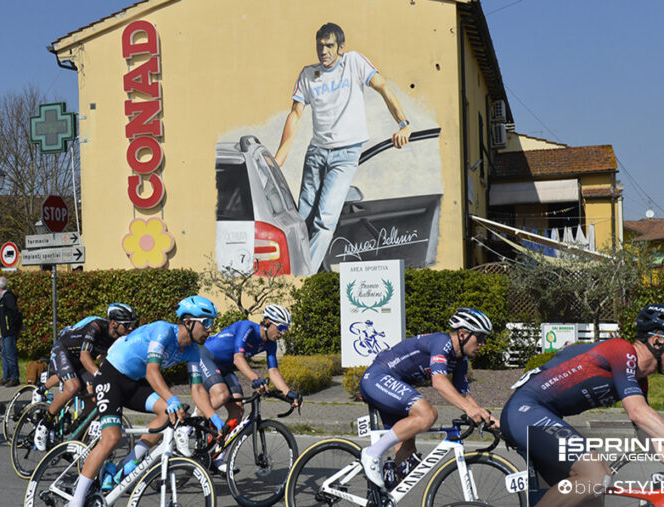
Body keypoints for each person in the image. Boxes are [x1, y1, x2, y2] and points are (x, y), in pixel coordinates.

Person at [501, 304, 664, 506]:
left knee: (592, 496)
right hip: (525, 411)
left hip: (544, 416)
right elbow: (638, 412)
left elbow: (648, 439)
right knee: (596, 475)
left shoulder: (638, 379)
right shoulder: (621, 351)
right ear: (657, 340)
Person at [274, 22, 411, 273]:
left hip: (345, 154)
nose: (323, 51)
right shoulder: (308, 75)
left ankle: (303, 277)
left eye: (329, 46)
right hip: (316, 152)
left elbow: (383, 87)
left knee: (325, 219)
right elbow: (296, 114)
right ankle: (290, 269)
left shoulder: (354, 62)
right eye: (320, 45)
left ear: (341, 48)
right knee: (303, 217)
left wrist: (403, 124)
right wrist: (280, 155)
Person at [68, 296, 226, 507]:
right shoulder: (163, 331)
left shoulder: (192, 351)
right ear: (188, 322)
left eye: (212, 323)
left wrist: (215, 418)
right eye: (206, 322)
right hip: (111, 377)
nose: (210, 329)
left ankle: (125, 465)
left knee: (168, 416)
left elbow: (197, 389)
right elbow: (152, 372)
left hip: (133, 383)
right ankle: (76, 501)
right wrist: (172, 399)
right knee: (111, 438)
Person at [358, 308, 496, 488]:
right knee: (427, 414)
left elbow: (463, 394)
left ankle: (382, 496)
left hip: (395, 388)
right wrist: (469, 410)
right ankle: (371, 453)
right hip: (378, 378)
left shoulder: (461, 359)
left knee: (406, 459)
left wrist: (491, 420)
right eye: (480, 338)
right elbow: (438, 382)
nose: (483, 344)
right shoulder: (442, 342)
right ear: (462, 334)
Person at [199, 304, 302, 471]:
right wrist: (255, 379)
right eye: (281, 327)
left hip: (224, 367)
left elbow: (273, 371)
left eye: (286, 329)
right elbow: (238, 358)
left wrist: (289, 394)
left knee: (238, 410)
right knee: (221, 395)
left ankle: (218, 457)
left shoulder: (270, 344)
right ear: (268, 322)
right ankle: (189, 424)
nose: (283, 333)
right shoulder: (247, 328)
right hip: (207, 357)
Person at [33, 303, 138, 452]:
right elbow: (85, 356)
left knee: (94, 397)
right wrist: (100, 375)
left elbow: (103, 358)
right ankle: (44, 424)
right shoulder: (95, 327)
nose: (131, 329)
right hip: (64, 351)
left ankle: (77, 432)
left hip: (79, 361)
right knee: (73, 387)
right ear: (113, 323)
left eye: (133, 325)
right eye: (127, 325)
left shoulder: (117, 338)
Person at [0, 276, 22, 387]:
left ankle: (14, 378)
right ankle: (6, 377)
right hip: (3, 331)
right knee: (4, 354)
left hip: (8, 331)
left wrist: (13, 327)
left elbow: (14, 313)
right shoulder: (1, 298)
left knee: (10, 355)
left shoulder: (8, 297)